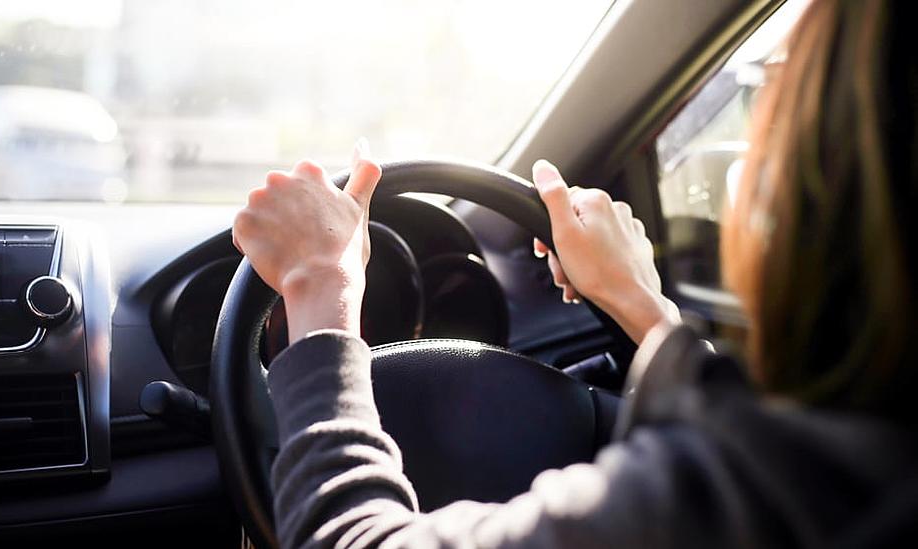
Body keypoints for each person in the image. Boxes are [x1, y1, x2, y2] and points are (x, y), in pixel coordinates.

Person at [231, 0, 918, 546]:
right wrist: (644, 308)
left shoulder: (765, 498)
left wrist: (322, 289)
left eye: (776, 91)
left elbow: (349, 538)